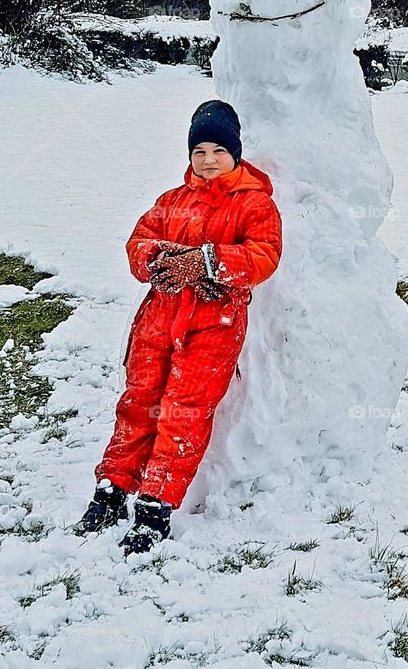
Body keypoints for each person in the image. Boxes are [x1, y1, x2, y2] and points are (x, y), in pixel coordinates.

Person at [74, 99, 282, 555]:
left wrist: (208, 262)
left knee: (183, 411)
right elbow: (138, 241)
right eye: (199, 151)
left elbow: (263, 255)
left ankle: (155, 506)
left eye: (218, 151)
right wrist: (158, 258)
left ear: (235, 153)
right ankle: (112, 489)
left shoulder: (254, 203)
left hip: (213, 323)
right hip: (159, 318)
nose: (208, 160)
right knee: (138, 404)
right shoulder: (172, 201)